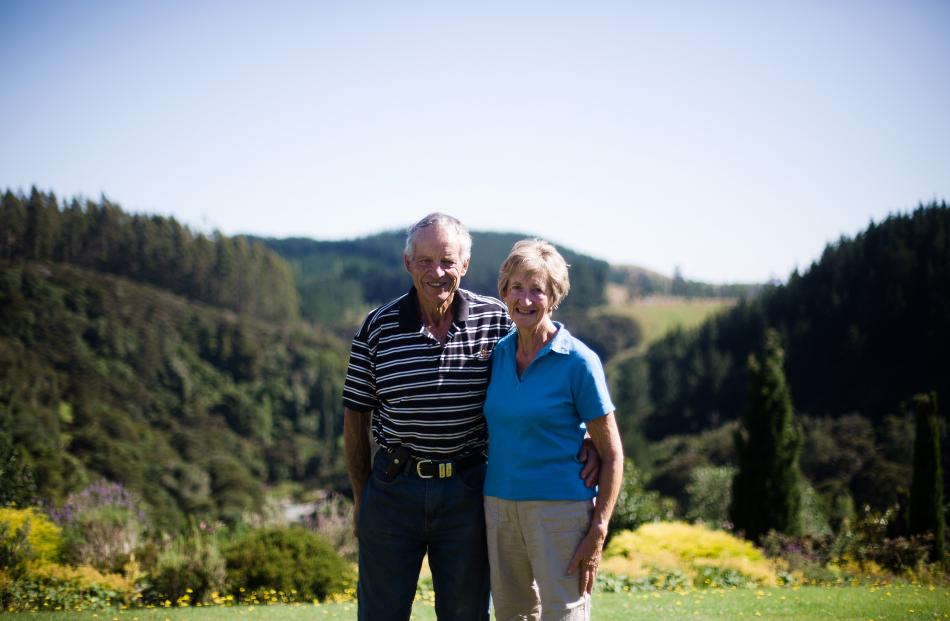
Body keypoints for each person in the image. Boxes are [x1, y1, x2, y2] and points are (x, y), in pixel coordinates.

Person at [342, 215, 599, 621]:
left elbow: (543, 377)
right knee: (380, 613)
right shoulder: (377, 327)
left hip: (468, 493)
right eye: (424, 261)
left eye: (447, 261)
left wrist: (583, 439)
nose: (436, 272)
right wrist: (362, 496)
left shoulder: (497, 320)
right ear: (407, 264)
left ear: (464, 265)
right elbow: (355, 418)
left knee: (465, 614)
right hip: (393, 490)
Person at [482, 239, 624, 621]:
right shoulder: (496, 355)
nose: (525, 300)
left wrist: (599, 528)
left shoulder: (579, 361)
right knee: (512, 615)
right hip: (499, 509)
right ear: (504, 291)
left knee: (563, 614)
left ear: (554, 296)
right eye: (517, 288)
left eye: (537, 290)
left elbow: (612, 454)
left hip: (561, 513)